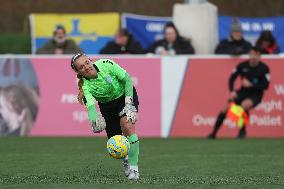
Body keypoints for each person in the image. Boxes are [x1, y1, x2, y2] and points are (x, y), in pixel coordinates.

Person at [70, 53, 140, 180]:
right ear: (78, 72)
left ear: (90, 60)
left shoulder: (106, 64)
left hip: (125, 95)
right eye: (81, 67)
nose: (86, 67)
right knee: (115, 140)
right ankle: (125, 159)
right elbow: (91, 107)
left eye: (87, 62)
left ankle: (134, 168)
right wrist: (94, 121)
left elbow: (127, 79)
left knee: (128, 127)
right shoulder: (85, 86)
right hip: (107, 106)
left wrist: (129, 103)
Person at [208, 47, 270, 139]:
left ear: (259, 56)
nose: (253, 57)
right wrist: (232, 91)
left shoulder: (264, 68)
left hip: (256, 94)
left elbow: (265, 86)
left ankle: (242, 131)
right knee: (226, 108)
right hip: (242, 92)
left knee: (244, 105)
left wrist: (251, 85)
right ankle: (213, 133)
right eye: (252, 54)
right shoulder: (242, 65)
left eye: (256, 55)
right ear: (249, 54)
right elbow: (232, 78)